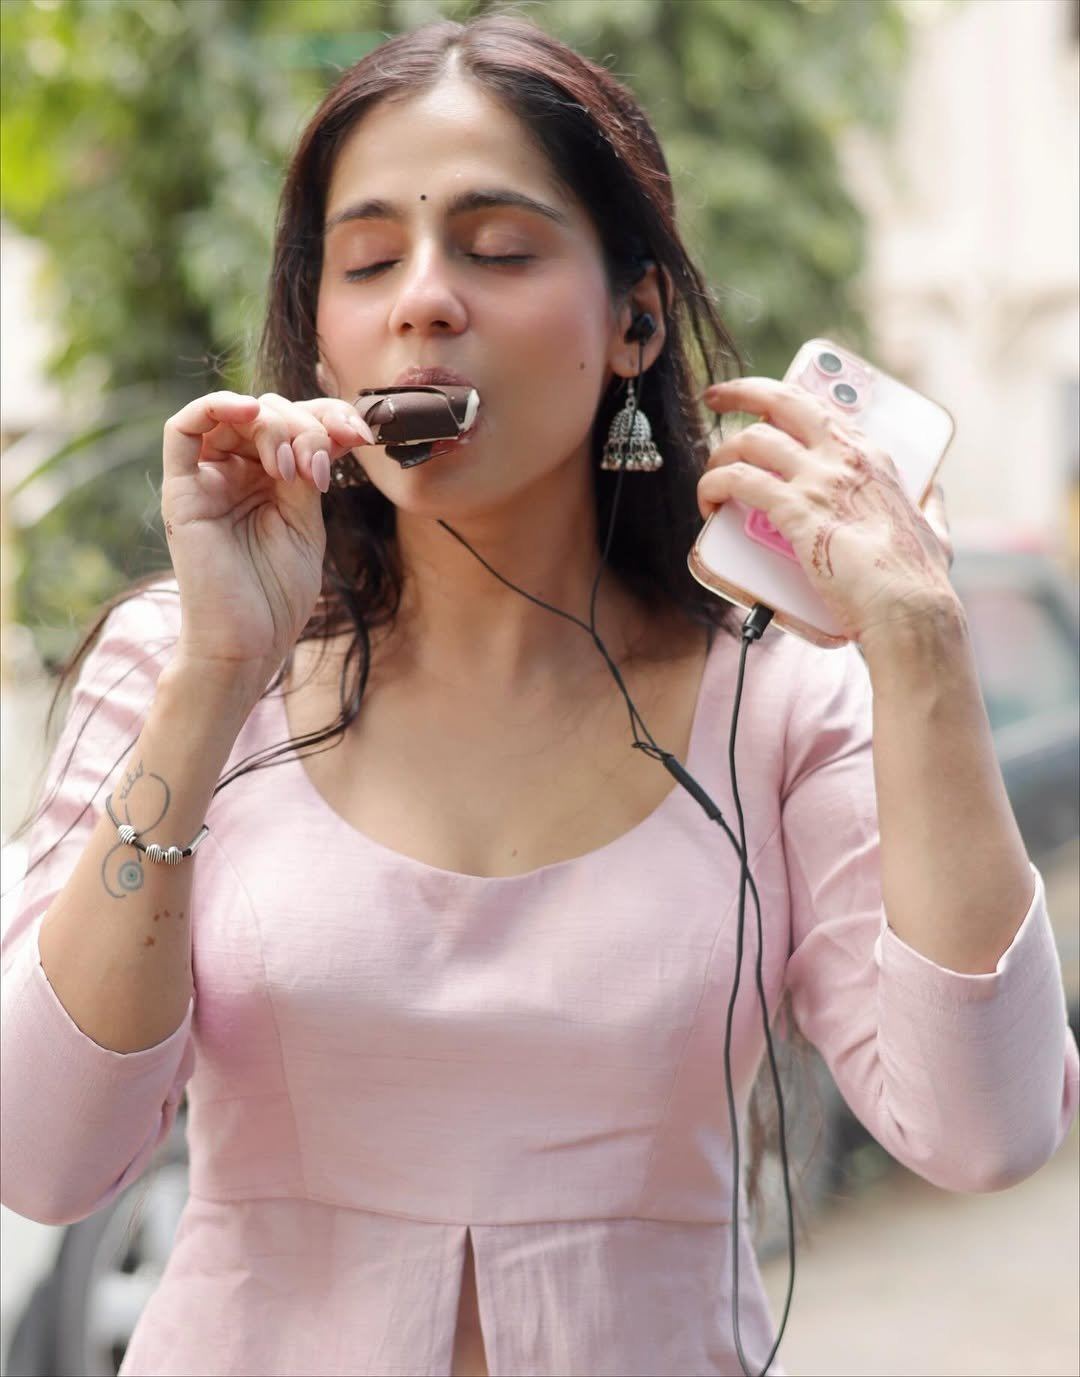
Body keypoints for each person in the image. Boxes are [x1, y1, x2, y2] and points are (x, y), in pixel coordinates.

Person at [2, 14, 1077, 1377]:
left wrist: (918, 646)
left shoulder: (780, 699)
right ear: (326, 348)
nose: (426, 299)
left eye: (498, 249)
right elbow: (40, 1153)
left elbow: (982, 1130)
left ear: (632, 321)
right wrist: (219, 674)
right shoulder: (186, 660)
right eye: (370, 259)